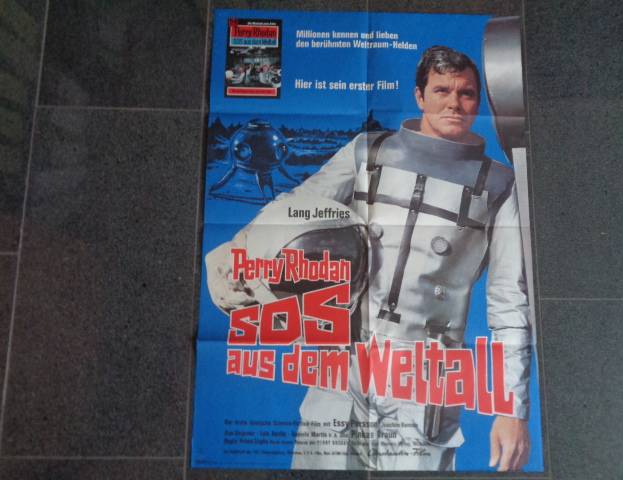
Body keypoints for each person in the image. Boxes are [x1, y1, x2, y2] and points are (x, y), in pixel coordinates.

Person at [206, 45, 532, 472]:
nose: (454, 103)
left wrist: (512, 408)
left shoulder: (500, 186)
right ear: (420, 96)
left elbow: (510, 303)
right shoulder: (367, 153)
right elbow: (294, 207)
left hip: (424, 381)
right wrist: (236, 261)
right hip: (341, 365)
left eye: (466, 93)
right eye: (442, 90)